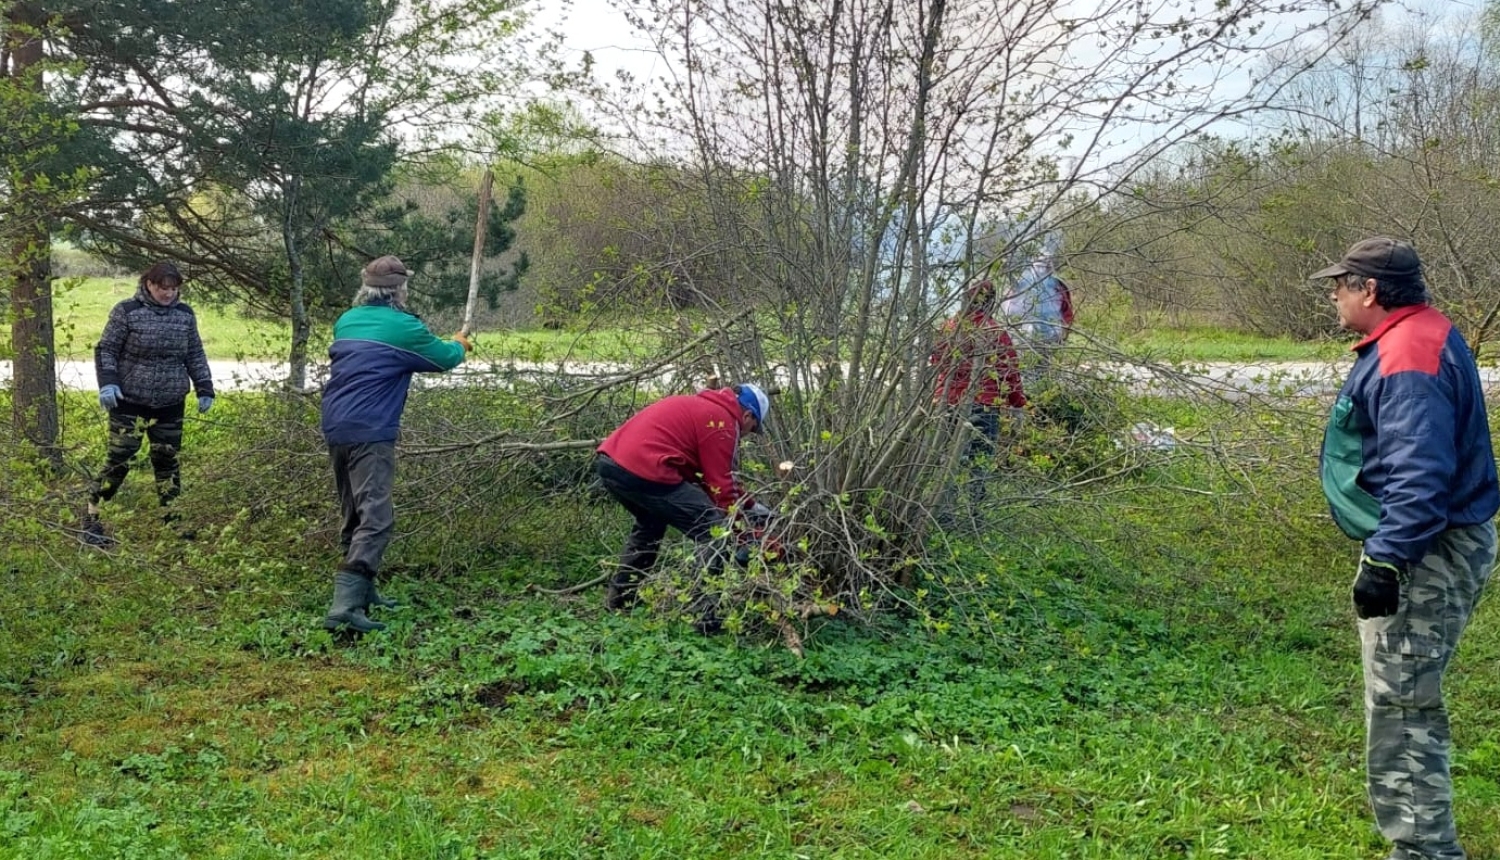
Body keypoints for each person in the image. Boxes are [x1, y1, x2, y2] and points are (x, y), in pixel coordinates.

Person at [1310, 236, 1498, 860]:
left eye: (1340, 285)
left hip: (1427, 550)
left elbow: (1420, 470)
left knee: (1404, 704)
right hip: (1429, 542)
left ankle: (1425, 852)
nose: (1334, 295)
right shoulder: (1414, 335)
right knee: (1404, 696)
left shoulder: (1410, 351)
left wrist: (1388, 558)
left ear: (1370, 291)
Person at [320, 255, 471, 633]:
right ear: (400, 289)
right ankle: (344, 608)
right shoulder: (404, 327)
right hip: (372, 428)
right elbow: (443, 359)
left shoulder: (347, 321)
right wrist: (460, 343)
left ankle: (363, 591)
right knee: (376, 517)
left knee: (353, 511)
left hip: (336, 423)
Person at [594, 382, 772, 632]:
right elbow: (721, 489)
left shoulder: (703, 408)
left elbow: (708, 477)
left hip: (612, 464)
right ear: (748, 415)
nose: (748, 435)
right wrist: (746, 537)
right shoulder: (722, 423)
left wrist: (752, 505)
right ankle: (705, 617)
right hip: (645, 468)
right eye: (753, 429)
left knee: (650, 526)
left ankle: (620, 602)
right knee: (713, 529)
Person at [83, 262, 215, 545]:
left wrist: (205, 387)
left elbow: (195, 353)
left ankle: (173, 521)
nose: (168, 293)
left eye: (173, 288)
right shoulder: (127, 312)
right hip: (129, 401)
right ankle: (91, 518)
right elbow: (106, 349)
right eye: (162, 287)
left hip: (170, 402)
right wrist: (108, 381)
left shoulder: (184, 315)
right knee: (121, 459)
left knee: (168, 461)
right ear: (149, 285)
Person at [932, 278, 1027, 489]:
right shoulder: (994, 331)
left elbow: (935, 362)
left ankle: (943, 511)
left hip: (947, 403)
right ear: (990, 301)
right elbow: (1009, 371)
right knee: (979, 462)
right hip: (983, 405)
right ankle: (974, 512)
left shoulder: (948, 329)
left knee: (946, 461)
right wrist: (1018, 403)